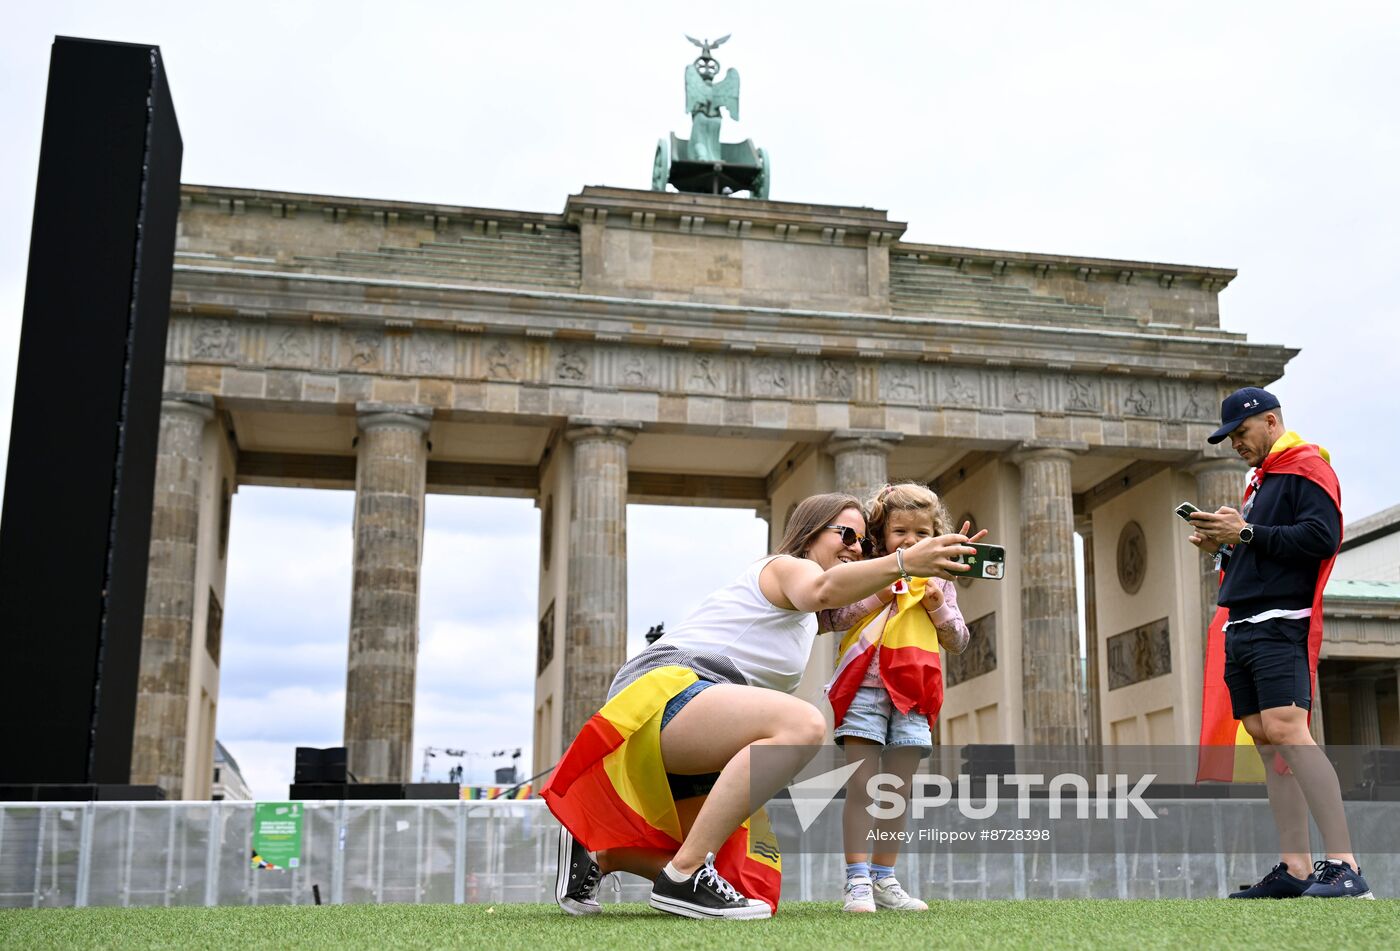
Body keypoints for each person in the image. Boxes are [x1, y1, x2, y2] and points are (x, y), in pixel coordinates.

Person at [543, 491, 976, 920]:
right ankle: (684, 875)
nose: (855, 547)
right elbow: (825, 590)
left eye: (863, 541)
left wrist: (926, 575)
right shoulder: (790, 568)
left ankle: (599, 854)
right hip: (665, 693)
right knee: (804, 725)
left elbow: (852, 603)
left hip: (698, 721)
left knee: (750, 888)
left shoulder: (808, 616)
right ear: (809, 534)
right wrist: (903, 562)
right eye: (845, 533)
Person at [1188, 386, 1372, 899]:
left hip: (1280, 622)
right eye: (1229, 438)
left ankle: (1345, 864)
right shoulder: (1260, 482)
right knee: (1267, 739)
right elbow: (1263, 545)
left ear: (1270, 422)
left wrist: (1243, 533)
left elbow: (1321, 537)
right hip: (1242, 623)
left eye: (1241, 433)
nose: (1235, 445)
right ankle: (1295, 868)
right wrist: (1222, 543)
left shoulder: (1307, 467)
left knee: (1288, 731)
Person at [821, 482, 976, 913]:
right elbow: (832, 617)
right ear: (881, 535)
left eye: (921, 534)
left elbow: (959, 640)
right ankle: (856, 881)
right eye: (900, 532)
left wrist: (936, 608)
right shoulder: (868, 572)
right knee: (862, 789)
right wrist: (878, 594)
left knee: (897, 792)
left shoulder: (940, 583)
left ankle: (884, 878)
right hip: (864, 690)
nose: (910, 540)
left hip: (913, 694)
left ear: (935, 535)